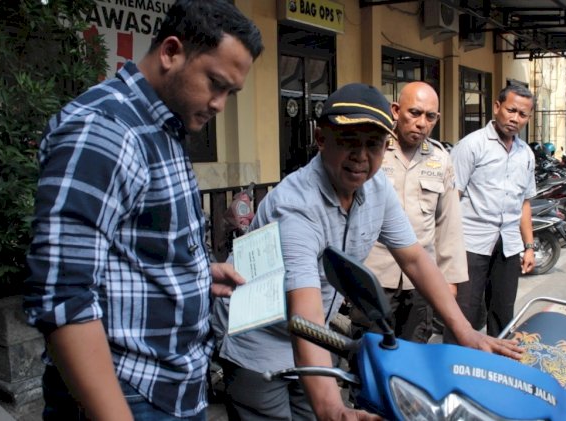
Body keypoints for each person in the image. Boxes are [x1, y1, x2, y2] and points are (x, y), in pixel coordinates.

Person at [215, 83, 523, 420]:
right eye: (348, 142)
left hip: (314, 341)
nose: (361, 156)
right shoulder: (296, 207)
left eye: (373, 145)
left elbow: (415, 259)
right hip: (259, 342)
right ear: (321, 139)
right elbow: (305, 312)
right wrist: (334, 409)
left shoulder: (375, 187)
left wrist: (466, 333)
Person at [23, 2, 263, 420]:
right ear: (171, 52)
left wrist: (196, 273)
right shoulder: (105, 130)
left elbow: (130, 248)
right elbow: (63, 298)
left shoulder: (163, 123)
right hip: (128, 392)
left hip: (171, 387)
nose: (220, 104)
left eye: (231, 93)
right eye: (215, 84)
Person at [360, 81, 467, 343]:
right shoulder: (374, 151)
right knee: (368, 356)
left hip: (421, 283)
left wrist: (450, 279)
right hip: (375, 278)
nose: (422, 123)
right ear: (396, 110)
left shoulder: (440, 159)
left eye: (430, 117)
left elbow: (448, 223)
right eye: (414, 113)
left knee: (414, 354)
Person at [448, 84, 537, 340]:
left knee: (503, 313)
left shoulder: (526, 154)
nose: (515, 118)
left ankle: (496, 368)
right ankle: (457, 366)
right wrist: (449, 251)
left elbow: (524, 203)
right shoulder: (471, 146)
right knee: (464, 313)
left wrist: (529, 246)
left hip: (508, 246)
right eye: (511, 110)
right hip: (471, 244)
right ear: (497, 107)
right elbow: (451, 200)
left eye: (522, 114)